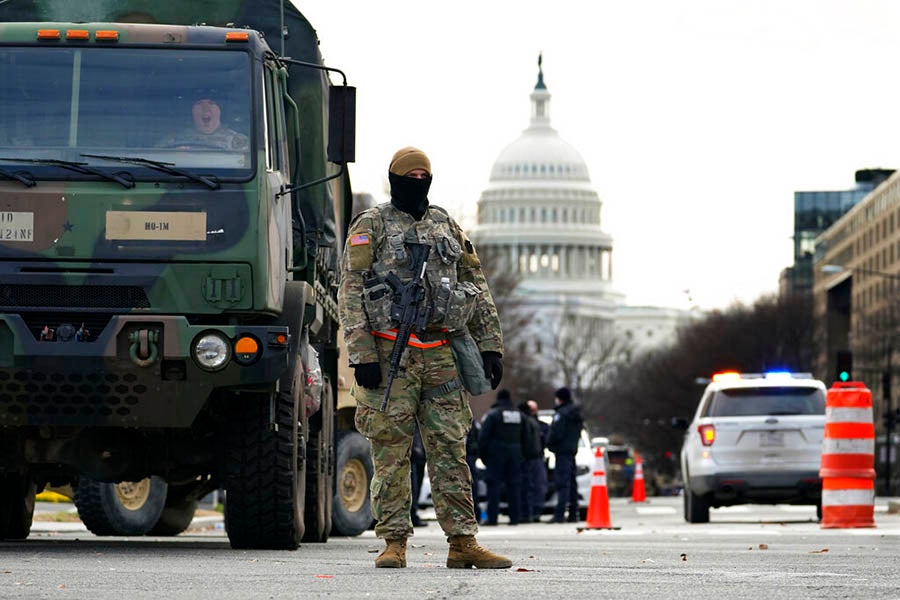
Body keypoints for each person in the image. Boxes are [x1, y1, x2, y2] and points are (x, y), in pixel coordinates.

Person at [338, 146, 510, 569]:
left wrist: (490, 344)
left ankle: (462, 541)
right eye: (409, 176)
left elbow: (476, 284)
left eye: (424, 176)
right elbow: (351, 290)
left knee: (451, 449)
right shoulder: (372, 224)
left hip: (441, 354)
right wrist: (362, 353)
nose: (417, 182)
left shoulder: (445, 224)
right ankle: (393, 541)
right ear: (394, 178)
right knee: (390, 453)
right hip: (388, 351)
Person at [478, 389, 523, 526]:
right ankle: (515, 518)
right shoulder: (519, 415)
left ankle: (493, 518)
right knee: (514, 485)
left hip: (496, 454)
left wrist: (484, 456)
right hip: (515, 453)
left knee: (494, 486)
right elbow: (526, 436)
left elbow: (483, 438)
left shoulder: (493, 415)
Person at [546, 386, 583, 523]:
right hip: (571, 451)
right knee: (572, 484)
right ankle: (573, 514)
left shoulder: (561, 414)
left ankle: (559, 514)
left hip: (562, 452)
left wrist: (549, 443)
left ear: (559, 398)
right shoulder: (575, 413)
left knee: (562, 483)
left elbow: (556, 433)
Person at [160, 96, 248, 150]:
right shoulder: (174, 139)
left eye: (211, 103)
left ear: (220, 110)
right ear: (192, 112)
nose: (206, 108)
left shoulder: (238, 141)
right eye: (199, 103)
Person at [519, 399, 548, 523]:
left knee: (532, 486)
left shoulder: (529, 422)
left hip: (530, 459)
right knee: (536, 486)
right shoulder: (535, 424)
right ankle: (533, 511)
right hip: (535, 458)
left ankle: (531, 512)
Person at [410, 424, 428, 527]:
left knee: (416, 487)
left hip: (420, 453)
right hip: (414, 453)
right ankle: (412, 515)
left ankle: (413, 514)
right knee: (413, 487)